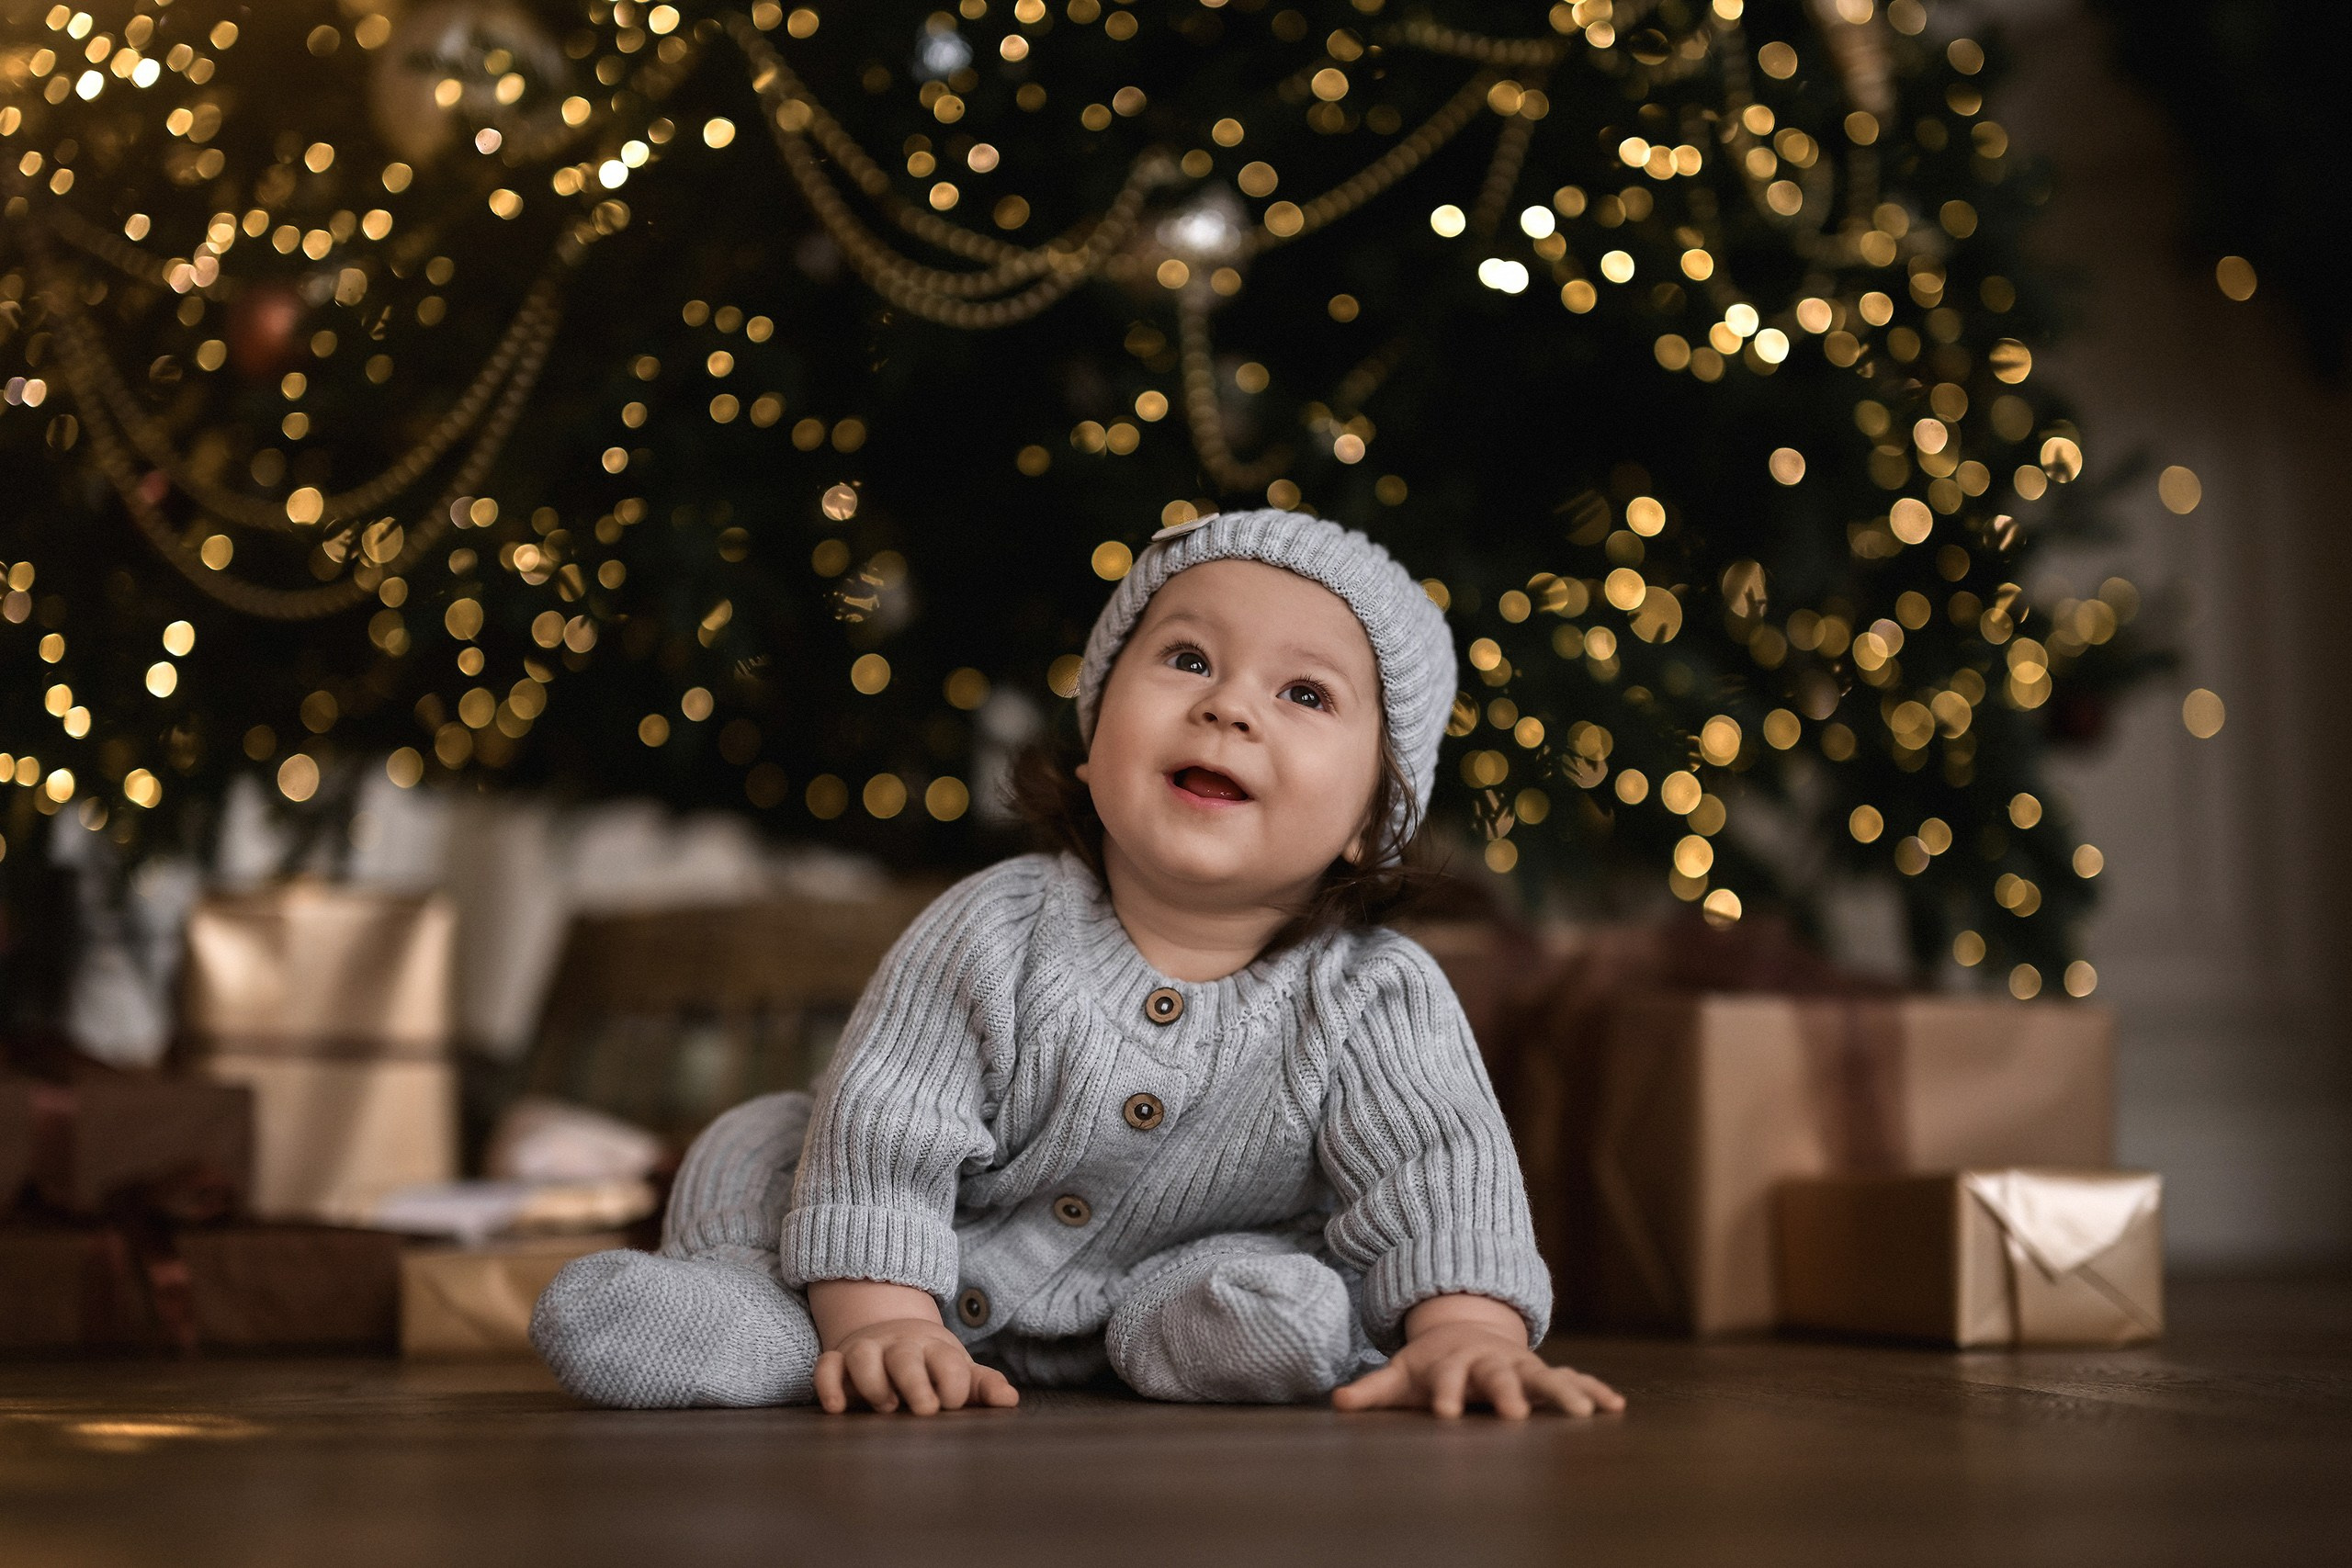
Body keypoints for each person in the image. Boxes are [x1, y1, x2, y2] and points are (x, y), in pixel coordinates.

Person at [531, 509, 1625, 1420]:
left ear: (1372, 819)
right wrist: (884, 1322)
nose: (1228, 706)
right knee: (762, 1143)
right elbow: (885, 1132)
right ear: (1097, 737)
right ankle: (766, 1322)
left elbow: (1441, 1178)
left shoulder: (1375, 994)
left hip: (1169, 1285)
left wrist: (1467, 1336)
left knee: (1280, 1290)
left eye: (1305, 694)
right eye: (1187, 659)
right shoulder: (994, 928)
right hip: (898, 1264)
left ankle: (1205, 1337)